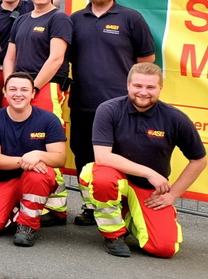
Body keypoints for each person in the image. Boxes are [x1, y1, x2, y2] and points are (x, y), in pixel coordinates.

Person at [81, 63, 206, 258]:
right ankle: (113, 234)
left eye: (150, 87)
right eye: (138, 86)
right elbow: (103, 156)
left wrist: (172, 195)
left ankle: (130, 216)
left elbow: (199, 160)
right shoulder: (109, 109)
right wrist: (149, 172)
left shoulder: (175, 118)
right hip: (116, 178)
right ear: (128, 85)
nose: (143, 92)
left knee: (164, 249)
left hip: (148, 190)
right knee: (101, 178)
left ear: (160, 88)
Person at [67, 0, 156, 225]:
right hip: (83, 102)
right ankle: (90, 206)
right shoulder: (75, 19)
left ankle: (118, 209)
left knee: (118, 158)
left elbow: (146, 60)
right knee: (84, 156)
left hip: (121, 107)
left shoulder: (131, 18)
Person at [0, 73, 68, 247]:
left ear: (33, 94)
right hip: (3, 180)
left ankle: (27, 226)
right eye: (13, 89)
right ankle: (16, 212)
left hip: (35, 180)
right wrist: (25, 161)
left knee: (37, 175)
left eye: (24, 90)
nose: (18, 94)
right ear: (5, 93)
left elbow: (60, 158)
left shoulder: (49, 120)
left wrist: (38, 155)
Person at [2, 0, 71, 120]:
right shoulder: (21, 20)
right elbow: (9, 59)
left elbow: (56, 59)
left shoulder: (59, 19)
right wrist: (10, 86)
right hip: (20, 88)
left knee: (45, 136)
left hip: (46, 86)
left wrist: (33, 88)